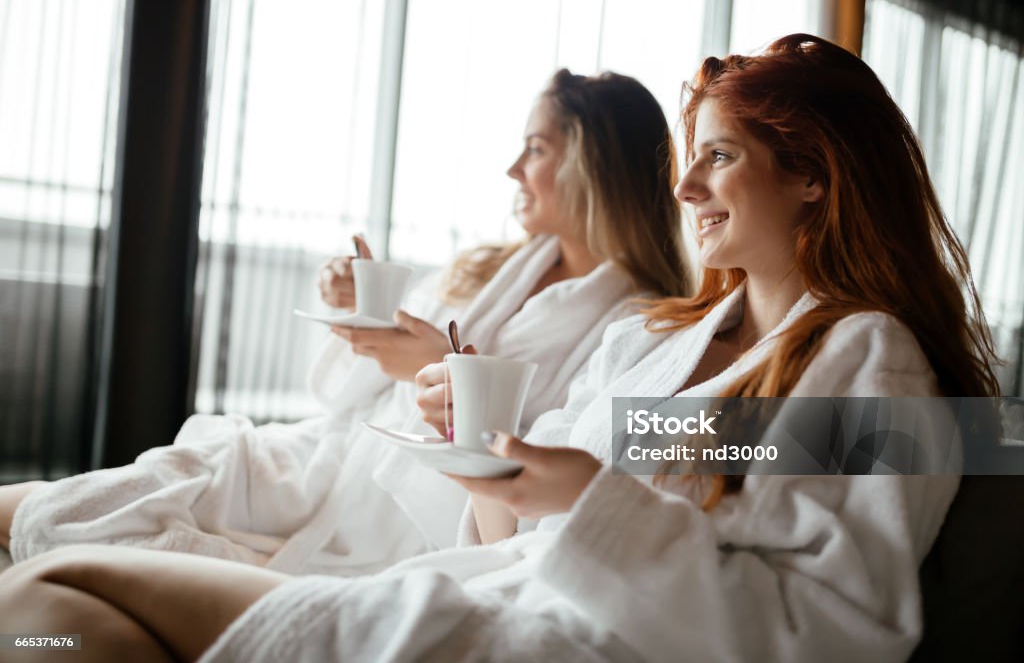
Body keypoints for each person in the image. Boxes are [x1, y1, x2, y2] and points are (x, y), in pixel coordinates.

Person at [0, 34, 1000, 663]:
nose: (686, 188)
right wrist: (483, 444)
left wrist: (577, 491)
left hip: (560, 639)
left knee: (55, 595)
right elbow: (492, 538)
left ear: (815, 175)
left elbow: (823, 632)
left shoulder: (868, 360)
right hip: (484, 593)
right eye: (688, 159)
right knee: (55, 609)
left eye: (719, 156)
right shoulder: (657, 338)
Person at [0, 69, 689, 577]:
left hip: (406, 512)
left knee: (122, 544)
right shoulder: (489, 268)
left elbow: (553, 461)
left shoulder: (636, 325)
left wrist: (437, 377)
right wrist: (358, 319)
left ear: (594, 164)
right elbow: (349, 394)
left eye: (536, 149)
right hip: (334, 454)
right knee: (160, 480)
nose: (514, 168)